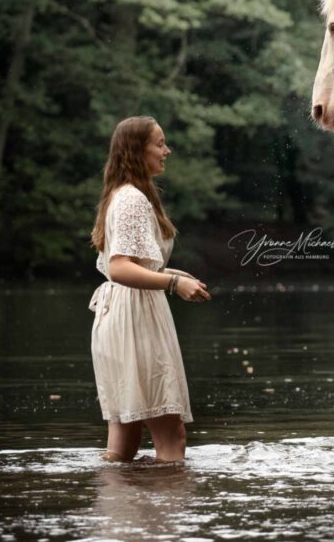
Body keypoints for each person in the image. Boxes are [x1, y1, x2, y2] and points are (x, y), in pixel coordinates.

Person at [89, 116, 210, 463]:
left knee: (124, 438)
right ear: (135, 151)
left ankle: (119, 512)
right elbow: (119, 267)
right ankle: (167, 516)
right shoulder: (131, 200)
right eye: (159, 144)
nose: (167, 151)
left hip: (121, 314)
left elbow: (132, 266)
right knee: (173, 436)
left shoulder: (124, 195)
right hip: (135, 319)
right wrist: (173, 282)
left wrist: (171, 273)